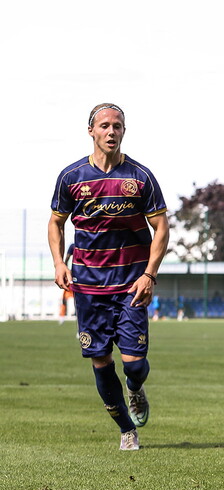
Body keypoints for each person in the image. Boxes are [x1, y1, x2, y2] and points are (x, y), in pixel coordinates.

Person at [48, 103, 169, 452]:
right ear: (91, 131)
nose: (111, 131)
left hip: (132, 285)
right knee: (100, 361)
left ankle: (135, 389)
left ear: (124, 131)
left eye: (117, 126)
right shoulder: (71, 178)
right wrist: (59, 263)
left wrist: (149, 274)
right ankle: (126, 429)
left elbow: (161, 227)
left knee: (135, 365)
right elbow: (55, 222)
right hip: (87, 287)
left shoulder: (140, 177)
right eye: (104, 126)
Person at [58, 244, 75, 325]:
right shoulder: (73, 246)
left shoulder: (74, 246)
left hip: (76, 277)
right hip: (76, 276)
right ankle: (62, 317)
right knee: (64, 299)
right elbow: (67, 258)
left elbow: (67, 259)